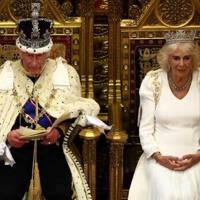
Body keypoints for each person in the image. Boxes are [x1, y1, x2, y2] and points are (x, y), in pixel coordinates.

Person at [0, 3, 100, 200]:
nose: (34, 62)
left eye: (40, 56)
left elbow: (77, 112)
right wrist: (7, 136)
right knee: (6, 193)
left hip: (53, 149)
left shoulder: (65, 73)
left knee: (59, 193)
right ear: (19, 51)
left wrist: (58, 132)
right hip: (14, 151)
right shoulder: (5, 74)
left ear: (48, 52)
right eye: (29, 55)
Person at [128, 30, 200, 200]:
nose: (181, 64)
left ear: (193, 59)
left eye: (187, 58)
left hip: (197, 154)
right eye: (176, 58)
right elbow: (145, 129)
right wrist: (159, 157)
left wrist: (198, 155)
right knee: (166, 192)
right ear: (168, 59)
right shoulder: (153, 81)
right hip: (160, 156)